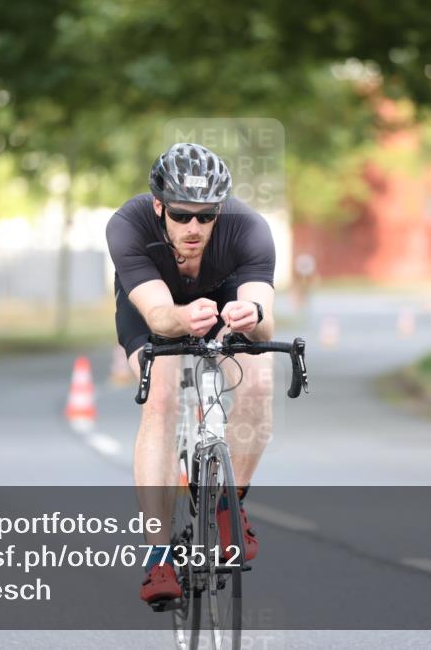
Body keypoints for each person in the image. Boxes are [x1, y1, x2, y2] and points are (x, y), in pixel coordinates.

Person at [105, 142, 276, 606]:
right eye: (182, 216)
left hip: (223, 301)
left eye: (206, 215)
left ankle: (227, 508)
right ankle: (159, 556)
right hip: (154, 306)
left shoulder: (249, 229)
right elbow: (160, 317)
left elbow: (267, 320)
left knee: (260, 375)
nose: (195, 227)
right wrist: (183, 320)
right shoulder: (129, 226)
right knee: (161, 397)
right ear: (159, 206)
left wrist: (251, 315)